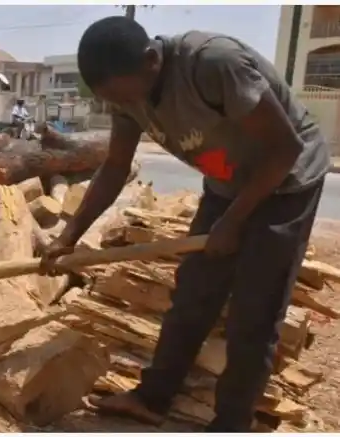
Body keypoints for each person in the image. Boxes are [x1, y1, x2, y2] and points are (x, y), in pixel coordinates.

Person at [41, 16, 329, 432]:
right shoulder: (126, 94)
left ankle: (232, 423)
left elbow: (285, 147)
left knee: (256, 312)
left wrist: (233, 222)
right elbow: (116, 166)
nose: (123, 105)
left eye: (123, 94)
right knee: (193, 293)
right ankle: (152, 399)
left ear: (151, 60)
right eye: (112, 100)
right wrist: (70, 236)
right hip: (228, 180)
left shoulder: (213, 63)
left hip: (286, 178)